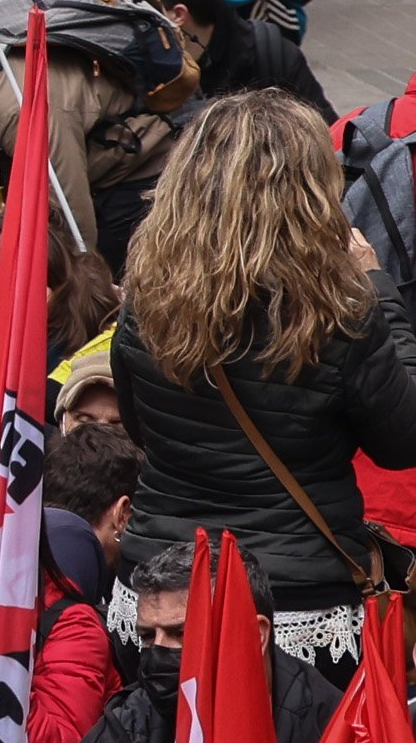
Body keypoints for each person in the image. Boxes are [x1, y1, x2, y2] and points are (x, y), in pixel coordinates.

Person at [104, 93, 416, 643]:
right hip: (294, 598)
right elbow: (403, 440)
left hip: (158, 593)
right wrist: (378, 291)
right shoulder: (340, 315)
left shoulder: (145, 303)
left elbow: (140, 430)